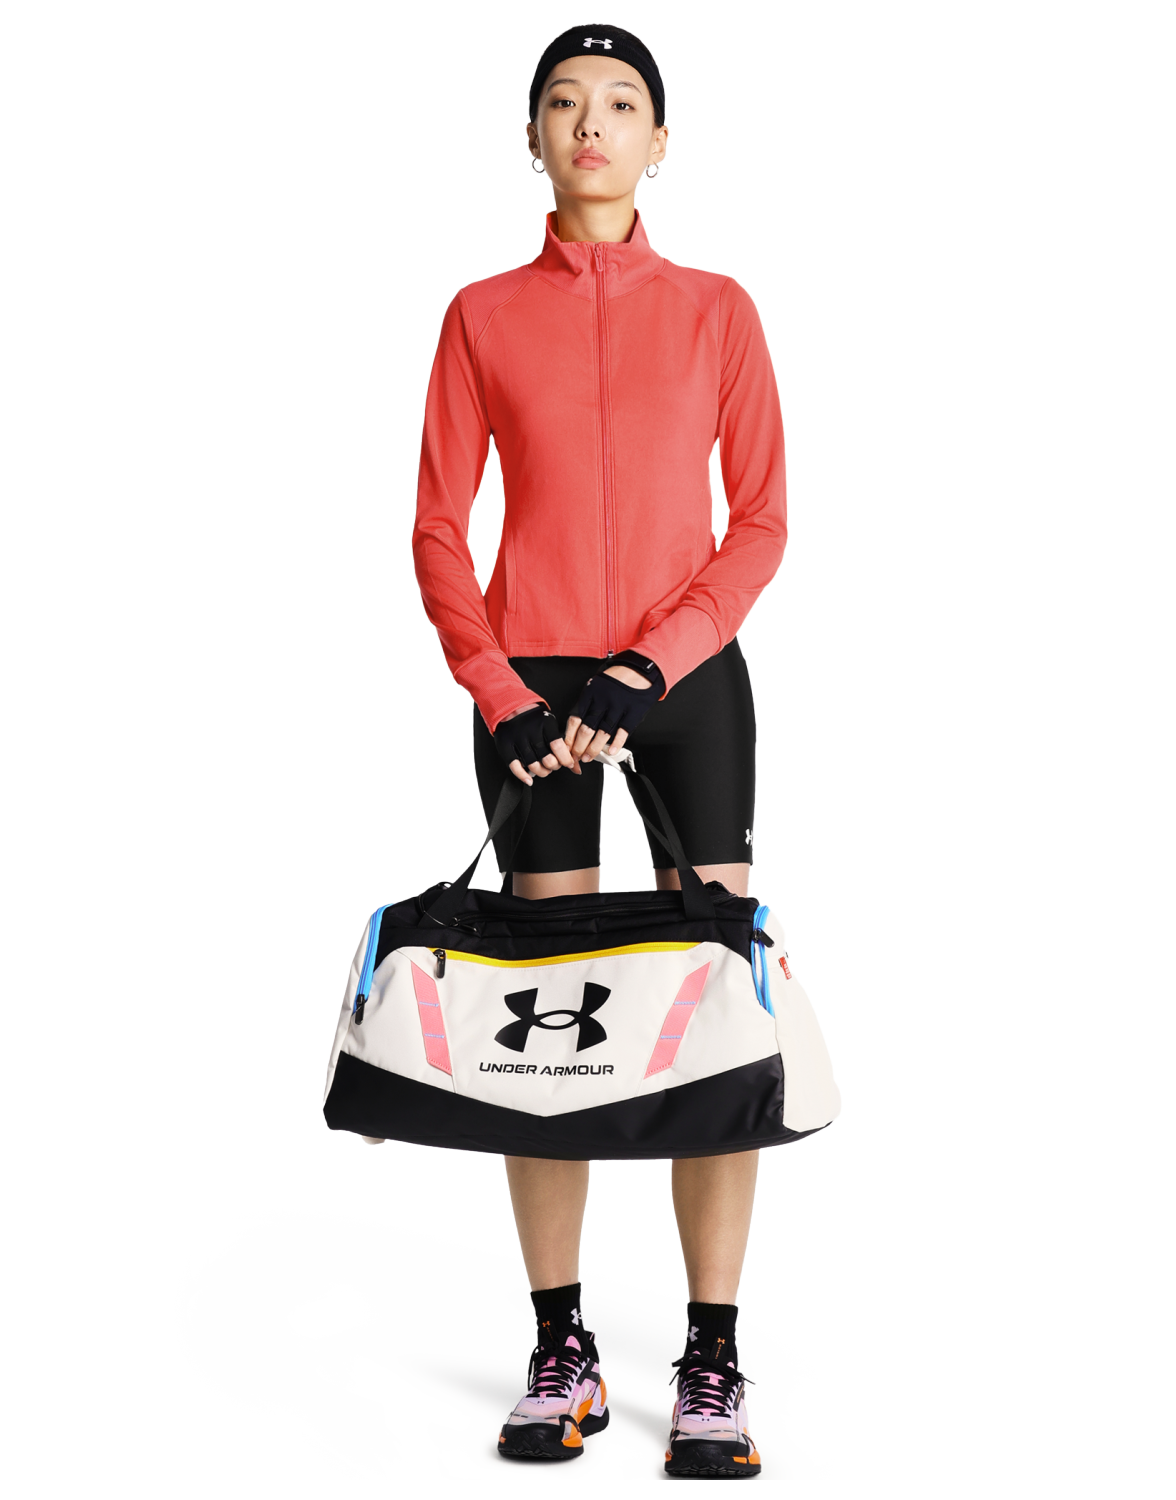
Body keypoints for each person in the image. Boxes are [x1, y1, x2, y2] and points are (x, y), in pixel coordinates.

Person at [410, 23, 787, 1478]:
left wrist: (652, 663)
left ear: (659, 144)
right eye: (563, 103)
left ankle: (712, 1358)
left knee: (710, 1015)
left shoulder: (720, 309)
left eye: (621, 104)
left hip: (684, 685)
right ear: (532, 141)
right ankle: (559, 1344)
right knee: (543, 1023)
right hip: (530, 698)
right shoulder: (478, 314)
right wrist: (498, 688)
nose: (591, 124)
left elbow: (761, 523)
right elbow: (438, 530)